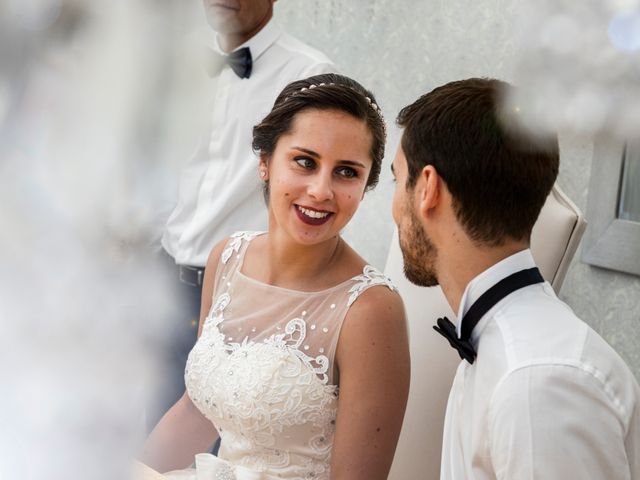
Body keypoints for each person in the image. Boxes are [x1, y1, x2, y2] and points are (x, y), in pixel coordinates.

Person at [140, 73, 411, 480]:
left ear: (365, 184)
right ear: (265, 162)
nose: (321, 190)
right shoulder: (226, 258)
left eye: (347, 172)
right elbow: (194, 412)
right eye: (305, 162)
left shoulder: (371, 310)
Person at [391, 78, 640, 479]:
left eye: (396, 180)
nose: (394, 209)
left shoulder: (536, 382)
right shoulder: (500, 346)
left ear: (427, 189)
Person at [149, 0, 335, 431]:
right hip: (163, 280)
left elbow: (314, 194)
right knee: (153, 433)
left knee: (219, 439)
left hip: (243, 294)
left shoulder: (307, 75)